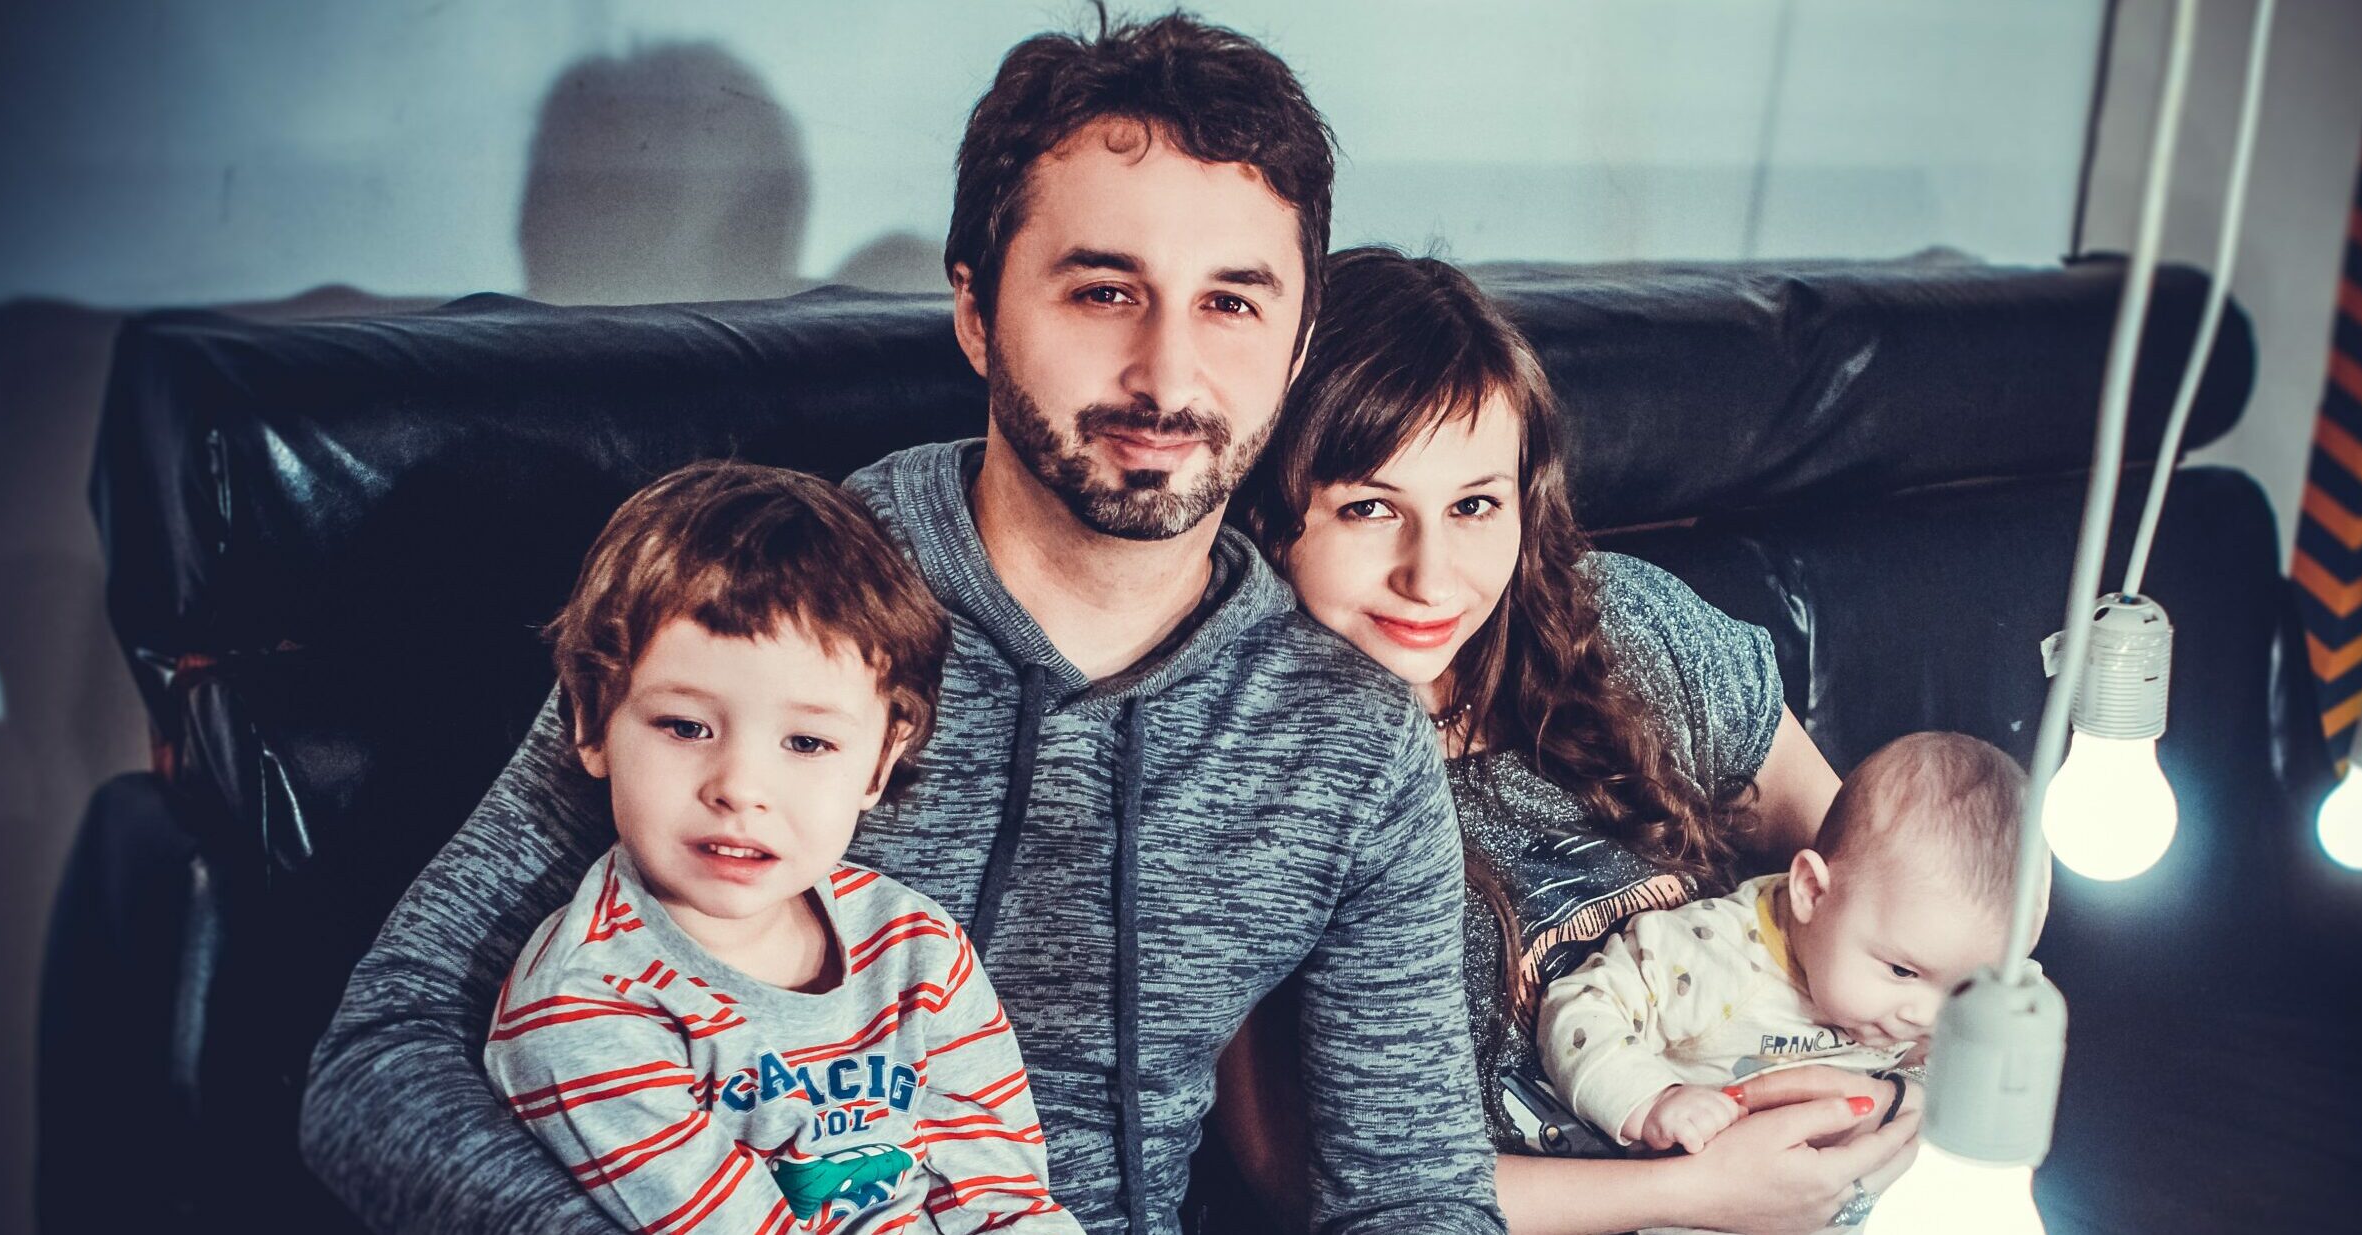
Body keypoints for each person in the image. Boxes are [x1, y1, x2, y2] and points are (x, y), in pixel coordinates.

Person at [302, 17, 1504, 1235]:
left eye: (1233, 303)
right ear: (977, 311)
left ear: (1298, 345)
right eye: (1103, 290)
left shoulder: (1345, 739)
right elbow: (379, 1063)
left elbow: (1415, 1193)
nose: (1166, 374)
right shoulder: (757, 601)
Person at [1218, 247, 1917, 1235]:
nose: (1433, 574)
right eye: (1370, 507)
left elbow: (1889, 888)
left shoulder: (1630, 629)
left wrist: (1900, 1089)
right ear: (1271, 516)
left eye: (1473, 505)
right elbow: (1301, 1176)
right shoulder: (1245, 766)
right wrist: (1698, 1192)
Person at [481, 461, 1079, 1232]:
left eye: (807, 740)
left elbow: (1005, 1199)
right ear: (593, 723)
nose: (741, 787)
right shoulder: (584, 1010)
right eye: (686, 726)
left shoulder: (915, 946)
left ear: (881, 761)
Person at [1538, 732, 2031, 1162]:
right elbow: (1577, 1007)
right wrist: (1653, 1100)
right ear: (1811, 891)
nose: (1928, 1017)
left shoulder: (1900, 992)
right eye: (1903, 972)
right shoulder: (1713, 957)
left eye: (1966, 987)